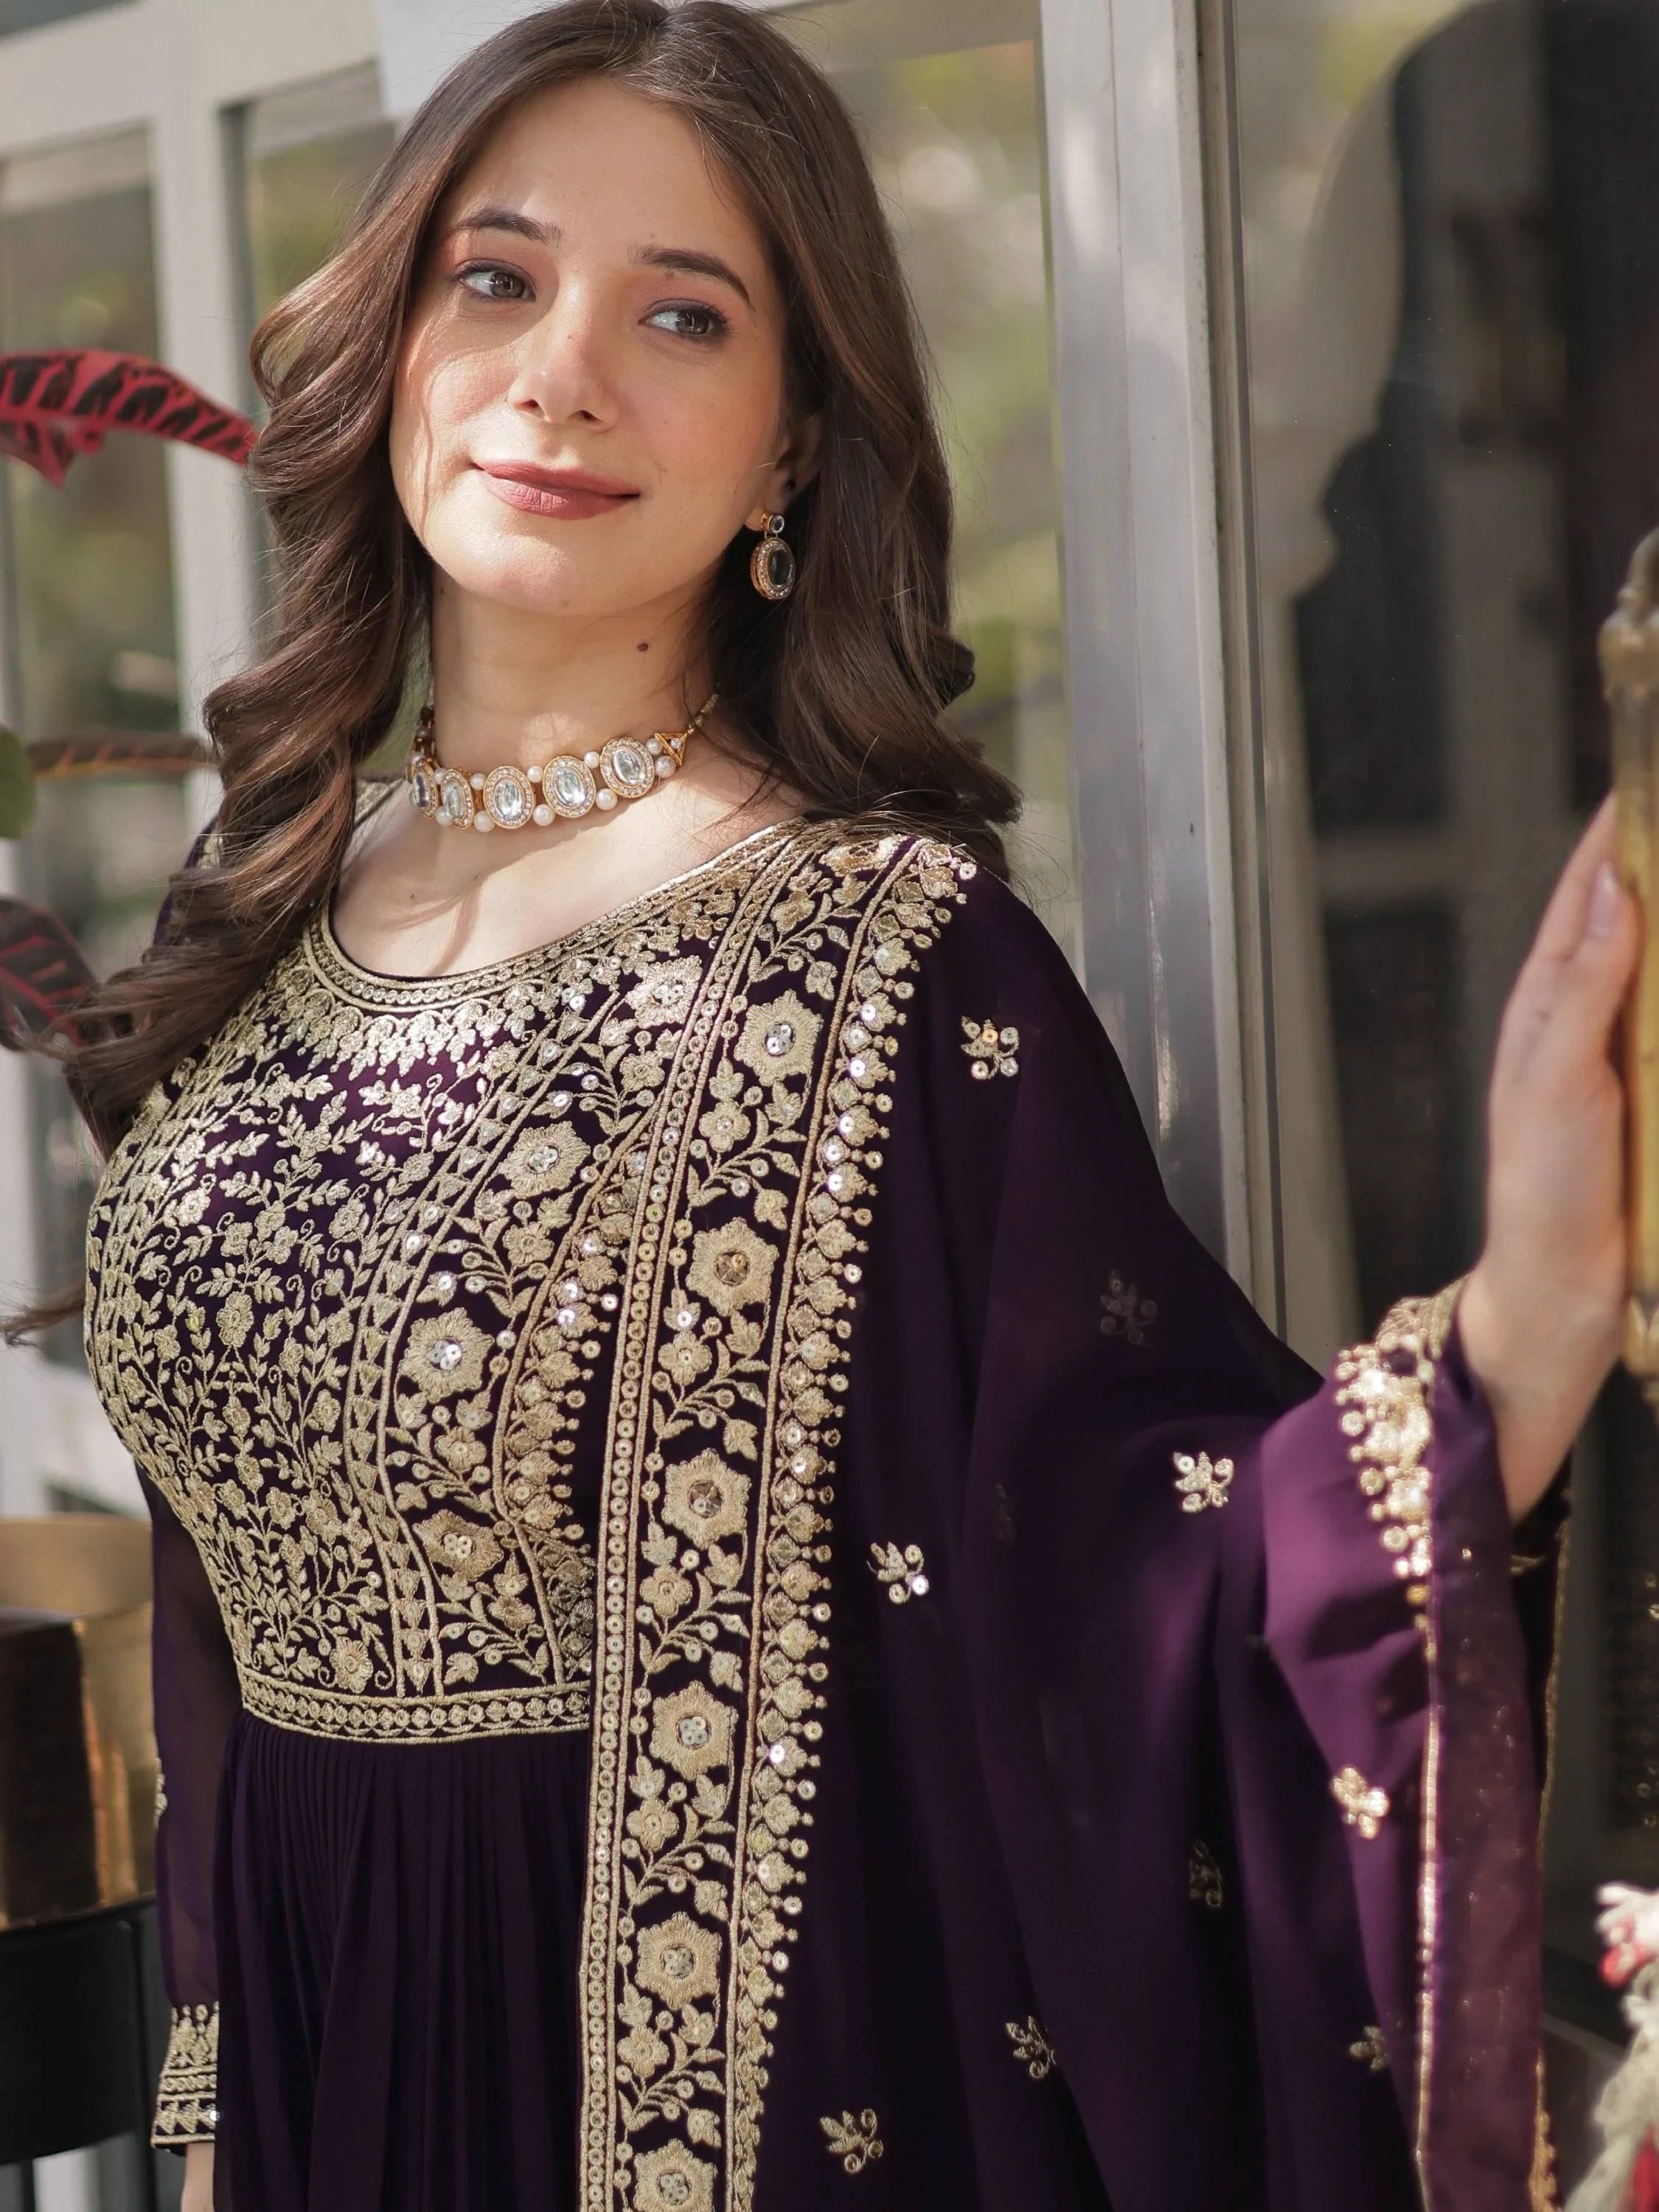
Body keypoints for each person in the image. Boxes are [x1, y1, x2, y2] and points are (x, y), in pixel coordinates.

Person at [13, 2, 1635, 2205]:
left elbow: (1148, 1577)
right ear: (390, 339)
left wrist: (1530, 1304)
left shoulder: (874, 962)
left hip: (666, 2103)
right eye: (495, 278)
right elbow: (220, 1625)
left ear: (788, 446)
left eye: (683, 314)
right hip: (313, 2065)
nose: (561, 371)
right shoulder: (275, 900)